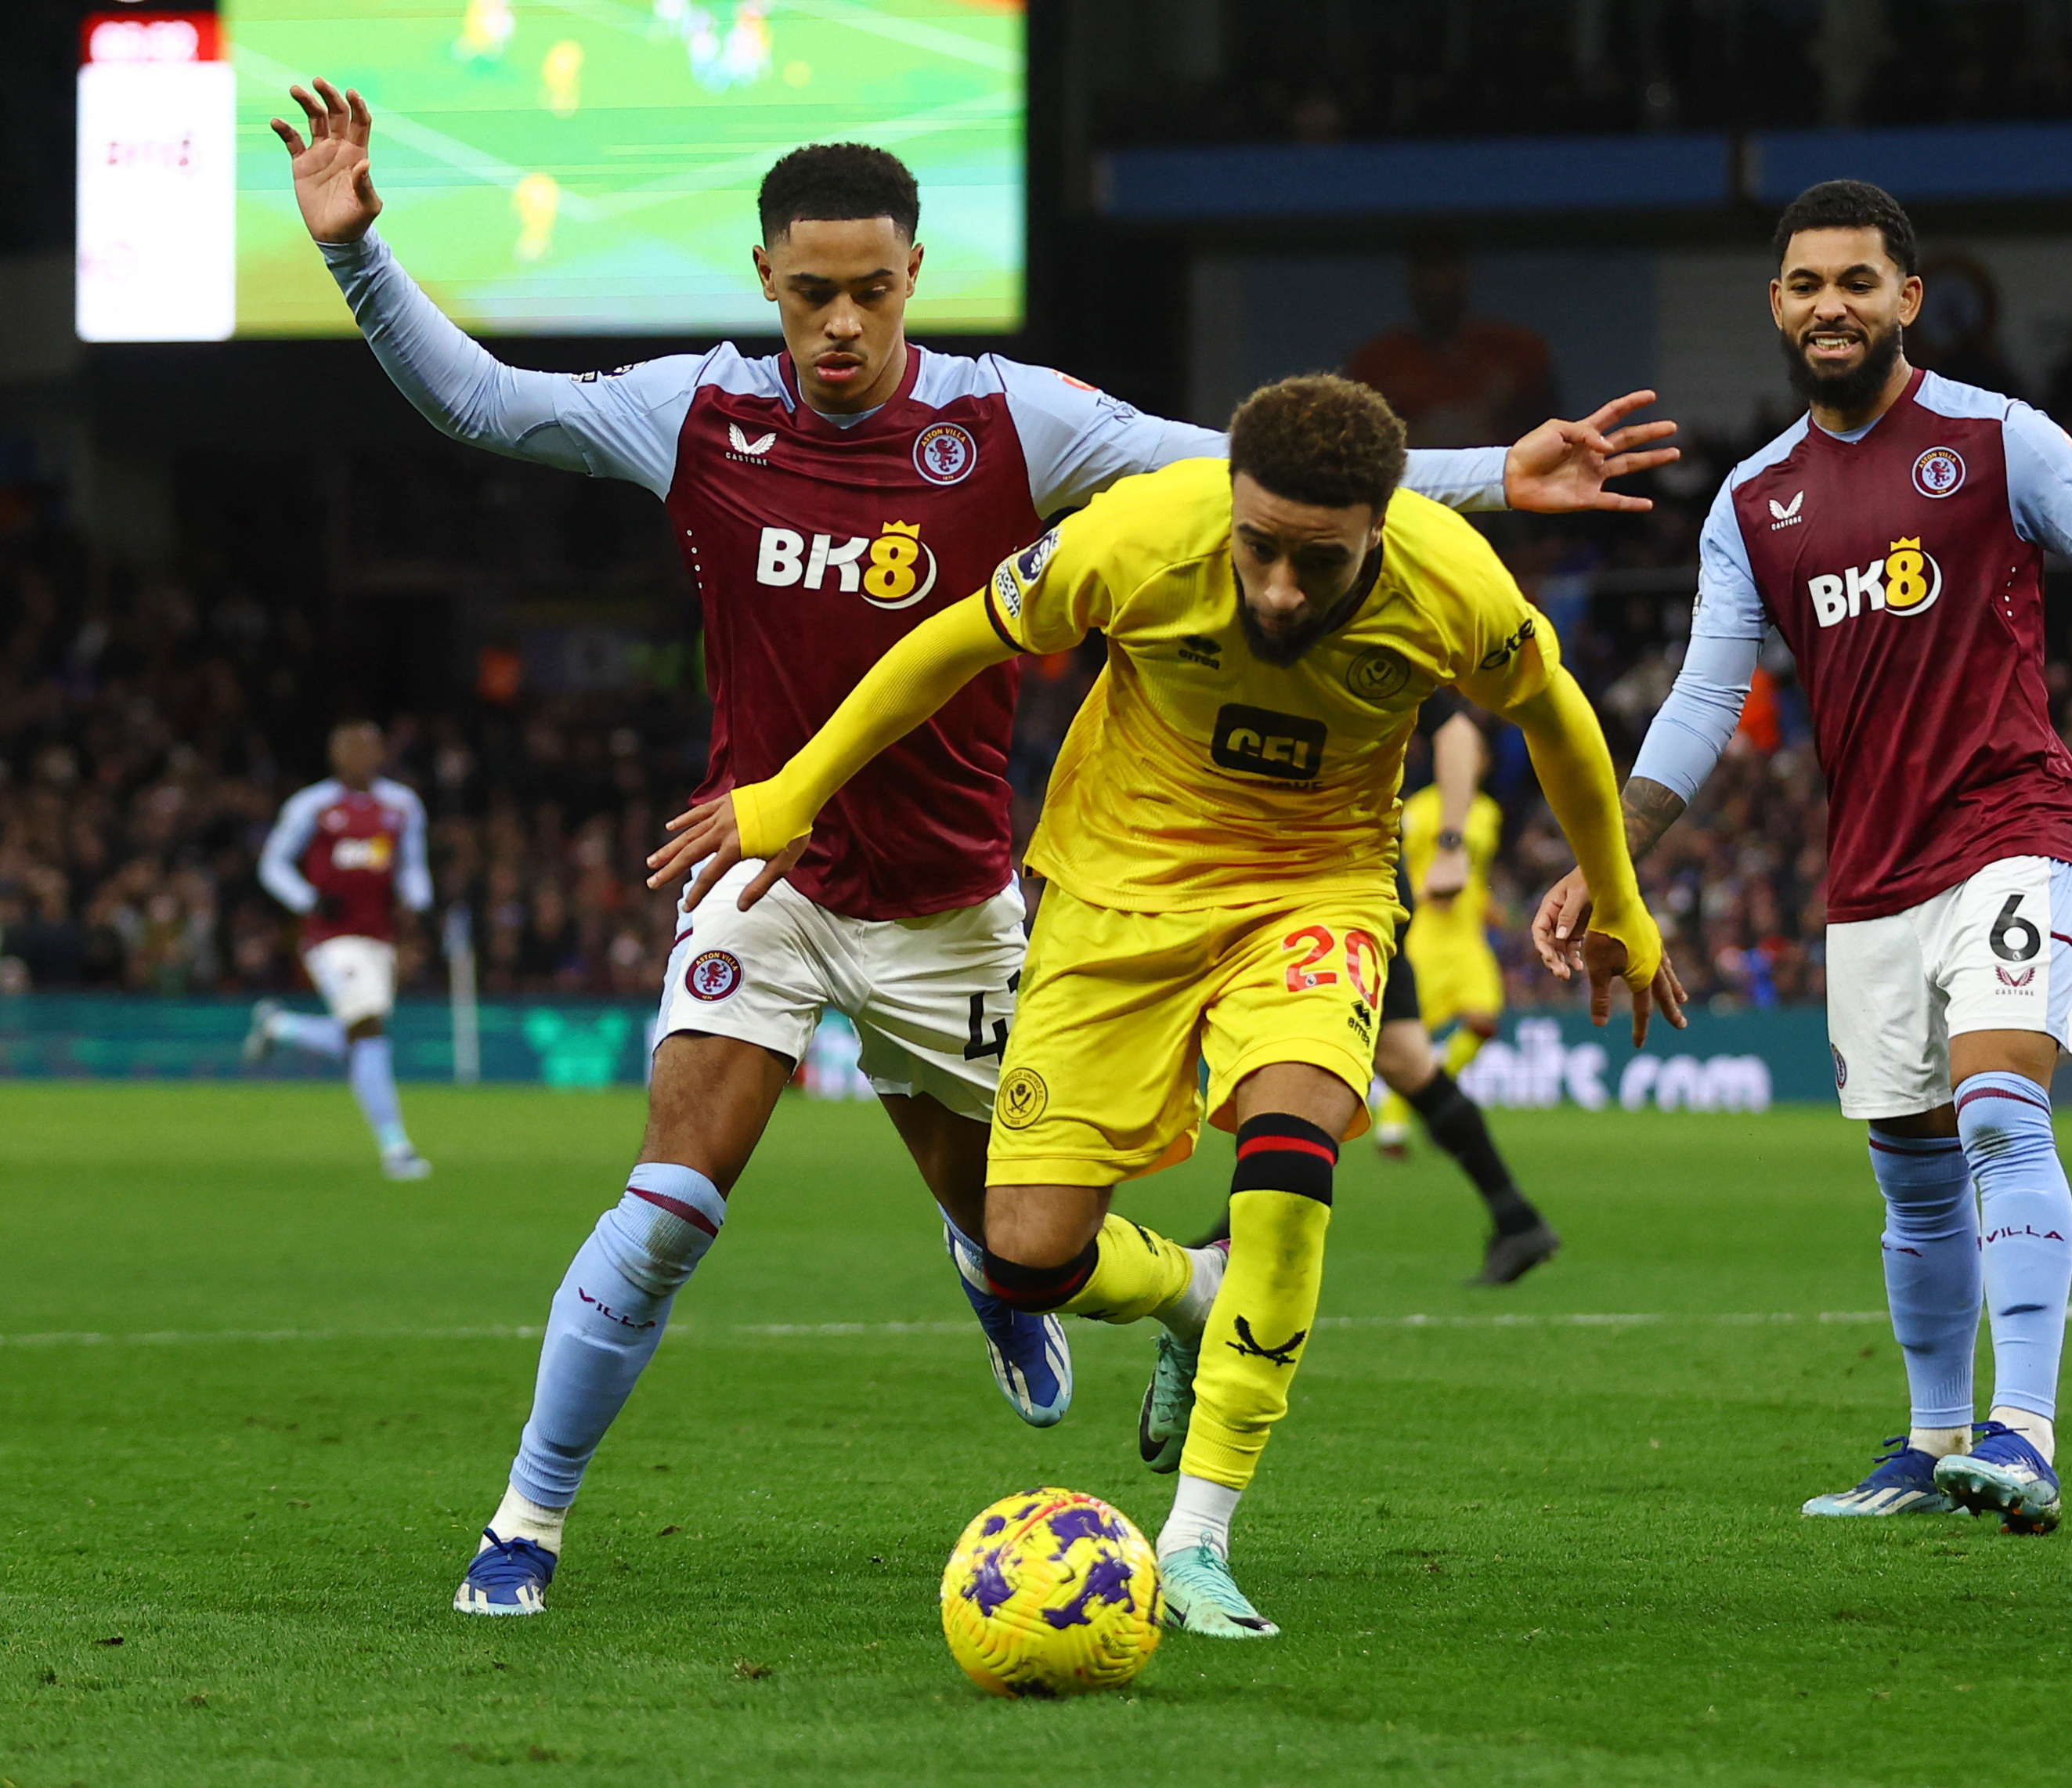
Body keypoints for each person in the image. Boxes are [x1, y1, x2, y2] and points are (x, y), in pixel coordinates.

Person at [272, 78, 1686, 1616]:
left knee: (1015, 1240)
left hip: (956, 911)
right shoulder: (698, 411)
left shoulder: (1011, 419)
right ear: (765, 280)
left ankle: (1162, 1289)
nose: (840, 324)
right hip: (772, 867)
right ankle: (525, 1525)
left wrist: (1489, 476)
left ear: (912, 276)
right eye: (811, 292)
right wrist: (355, 257)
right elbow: (484, 398)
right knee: (676, 1192)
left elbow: (1225, 465)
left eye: (871, 291)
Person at [654, 374, 1688, 1637]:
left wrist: (1622, 902)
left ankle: (1196, 1540)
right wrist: (796, 785)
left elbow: (1558, 719)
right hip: (1112, 892)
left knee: (1291, 1154)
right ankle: (1192, 1292)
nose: (1275, 589)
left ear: (1381, 524)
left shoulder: (1453, 582)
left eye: (1317, 562)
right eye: (1256, 547)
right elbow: (947, 641)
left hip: (1313, 893)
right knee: (1024, 1254)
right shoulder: (1136, 535)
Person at [1533, 180, 2072, 1534]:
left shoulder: (1997, 440)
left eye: (1858, 281)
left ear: (1907, 300)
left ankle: (2025, 1431)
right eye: (1808, 284)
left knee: (1999, 1111)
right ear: (1775, 305)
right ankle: (1935, 1440)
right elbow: (1707, 700)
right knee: (1908, 1163)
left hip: (2009, 824)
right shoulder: (1750, 501)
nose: (1833, 304)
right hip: (1869, 873)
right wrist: (1612, 854)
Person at [1200, 697, 1559, 1286]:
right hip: (1331, 883)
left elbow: (1459, 731)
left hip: (1339, 887)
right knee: (1407, 1061)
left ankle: (1232, 1240)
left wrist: (1450, 844)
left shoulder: (1370, 629)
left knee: (1288, 1053)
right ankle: (1516, 1218)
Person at [247, 720, 432, 1180]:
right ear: (335, 756)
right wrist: (308, 900)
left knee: (361, 1036)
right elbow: (273, 863)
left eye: (369, 747)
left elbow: (412, 865)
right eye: (352, 748)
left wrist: (418, 906)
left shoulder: (402, 805)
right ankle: (397, 1149)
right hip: (330, 938)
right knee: (368, 1031)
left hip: (381, 938)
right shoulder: (312, 805)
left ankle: (281, 1025)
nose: (361, 756)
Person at [1348, 232, 1559, 449]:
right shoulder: (1377, 361)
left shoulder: (1516, 349)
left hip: (1502, 473)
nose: (1437, 281)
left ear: (1465, 273)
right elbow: (1364, 449)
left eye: (1445, 266)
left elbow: (1552, 431)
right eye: (1427, 268)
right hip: (1416, 477)